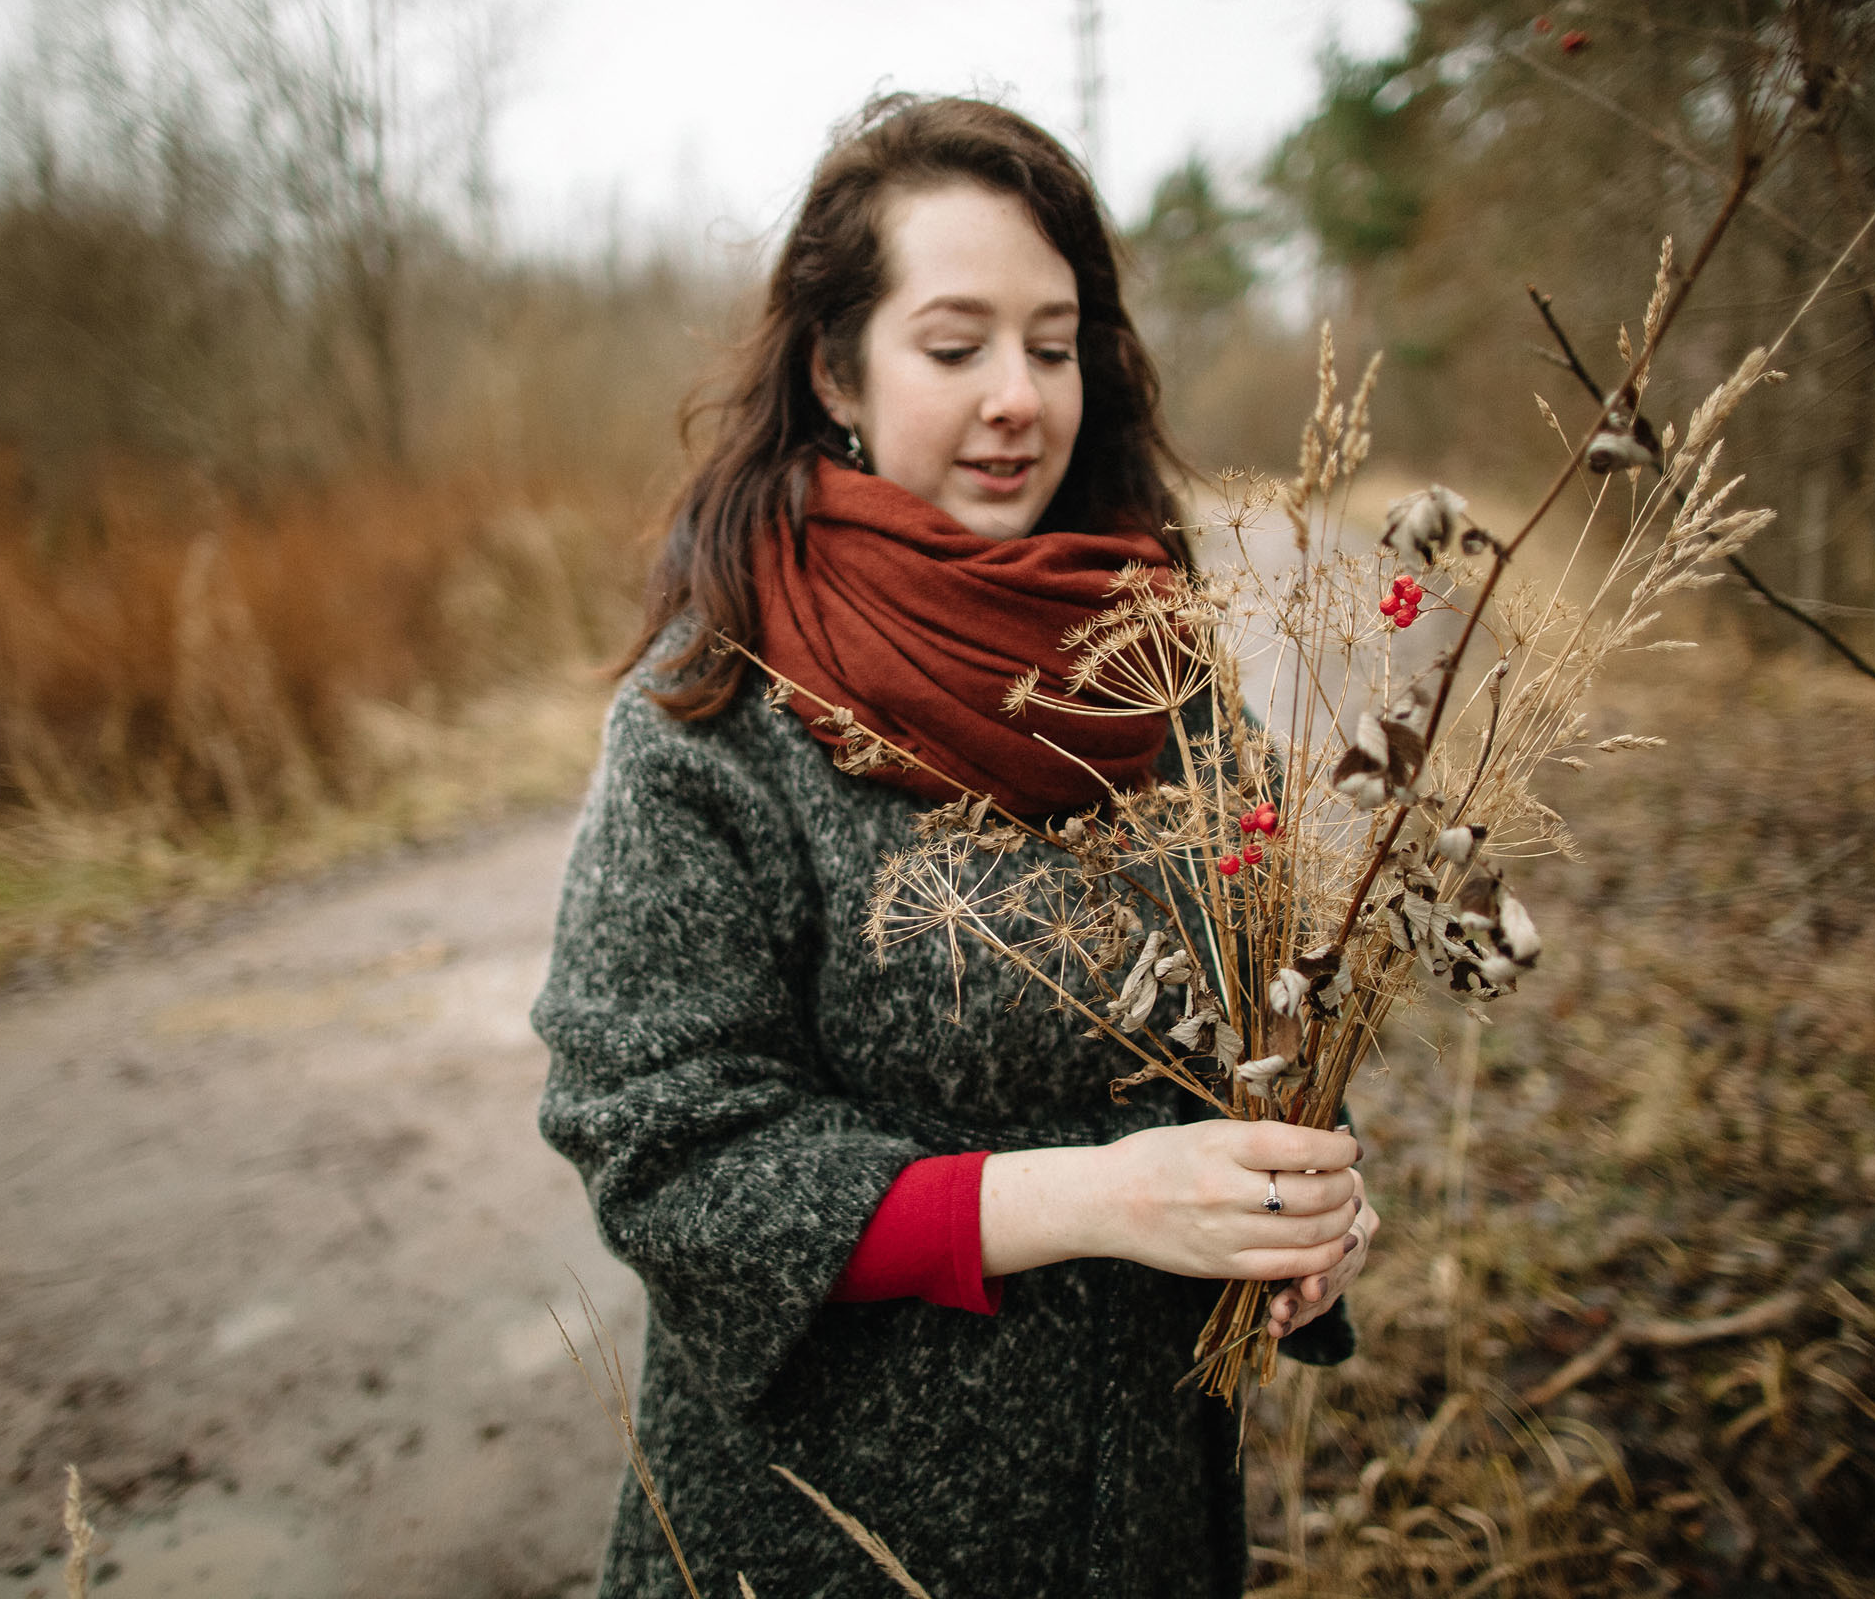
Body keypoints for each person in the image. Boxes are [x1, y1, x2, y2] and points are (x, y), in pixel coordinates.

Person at [533, 94, 1376, 1597]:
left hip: (1143, 1531)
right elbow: (664, 1151)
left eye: (1052, 347)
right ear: (833, 366)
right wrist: (1101, 1199)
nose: (1018, 398)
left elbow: (1255, 1029)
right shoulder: (718, 712)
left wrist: (1298, 1203)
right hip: (823, 1540)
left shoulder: (1159, 674)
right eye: (955, 345)